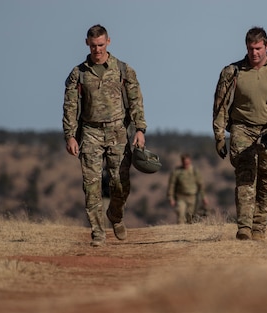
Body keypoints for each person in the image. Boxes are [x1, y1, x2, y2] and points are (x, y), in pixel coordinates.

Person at [63, 24, 147, 247]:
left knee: (121, 184)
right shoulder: (78, 73)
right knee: (91, 185)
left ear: (108, 41)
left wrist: (140, 129)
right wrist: (70, 136)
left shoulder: (122, 69)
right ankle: (98, 233)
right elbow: (70, 107)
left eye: (100, 45)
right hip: (90, 132)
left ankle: (116, 215)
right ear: (86, 44)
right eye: (93, 46)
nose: (97, 50)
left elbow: (136, 101)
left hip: (118, 131)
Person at [212, 26, 267, 241]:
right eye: (251, 49)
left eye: (258, 48)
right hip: (242, 128)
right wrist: (219, 135)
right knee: (245, 177)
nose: (254, 53)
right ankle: (244, 227)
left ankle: (259, 227)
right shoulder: (232, 72)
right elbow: (220, 105)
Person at [167, 154, 208, 224]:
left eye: (187, 162)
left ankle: (188, 233)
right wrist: (171, 198)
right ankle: (180, 232)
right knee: (180, 215)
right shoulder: (177, 172)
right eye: (184, 162)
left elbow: (200, 185)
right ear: (182, 162)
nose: (186, 164)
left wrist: (204, 197)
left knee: (190, 217)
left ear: (190, 161)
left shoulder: (195, 171)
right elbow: (172, 185)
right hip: (181, 197)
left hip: (193, 198)